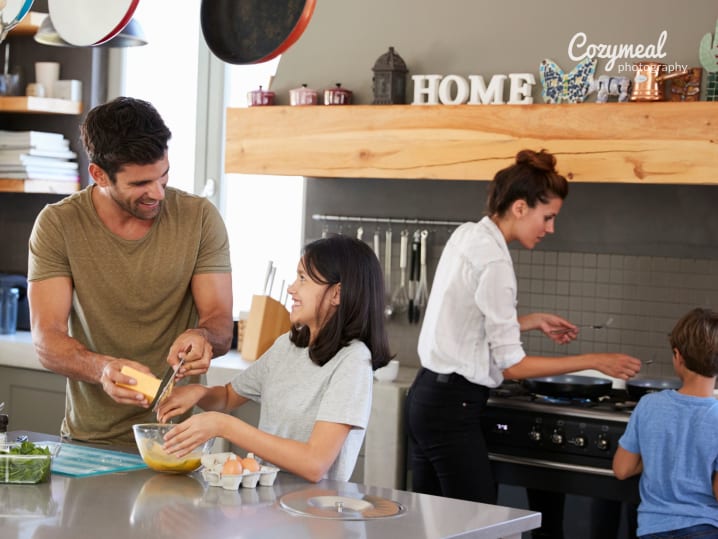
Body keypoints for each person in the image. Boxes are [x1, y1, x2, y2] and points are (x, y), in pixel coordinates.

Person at [405, 149, 642, 521]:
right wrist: (596, 360)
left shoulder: (468, 234)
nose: (550, 228)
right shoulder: (497, 262)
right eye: (547, 217)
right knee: (474, 526)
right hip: (453, 408)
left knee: (431, 524)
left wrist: (529, 321)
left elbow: (463, 323)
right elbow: (514, 367)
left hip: (426, 397)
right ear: (519, 207)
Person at [27, 96, 233, 447]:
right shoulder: (58, 224)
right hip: (89, 441)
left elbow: (220, 324)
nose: (157, 193)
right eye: (140, 184)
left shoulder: (199, 218)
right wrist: (101, 369)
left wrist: (204, 338)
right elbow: (47, 341)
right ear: (98, 174)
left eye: (163, 176)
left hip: (178, 443)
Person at [157, 234, 393, 482]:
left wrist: (223, 425)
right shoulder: (287, 346)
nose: (292, 288)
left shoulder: (353, 360)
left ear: (337, 294)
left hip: (313, 513)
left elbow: (315, 463)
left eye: (303, 278)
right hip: (268, 504)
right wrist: (199, 393)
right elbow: (228, 396)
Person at [613, 307, 718, 538]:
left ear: (678, 356)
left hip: (653, 529)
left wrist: (658, 457)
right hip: (706, 529)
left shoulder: (649, 405)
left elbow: (622, 469)